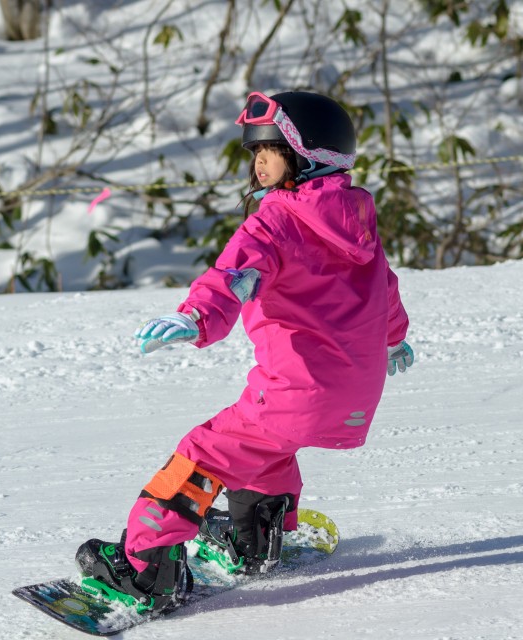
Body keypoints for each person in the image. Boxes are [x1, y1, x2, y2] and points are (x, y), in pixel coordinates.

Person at [76, 90, 414, 611]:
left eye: (270, 150)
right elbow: (383, 289)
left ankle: (147, 571)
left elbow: (234, 274)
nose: (259, 162)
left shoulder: (274, 222)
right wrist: (394, 340)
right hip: (357, 394)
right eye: (255, 151)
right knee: (265, 445)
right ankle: (256, 539)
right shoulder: (358, 222)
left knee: (202, 454)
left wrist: (194, 317)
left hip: (295, 392)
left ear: (306, 156)